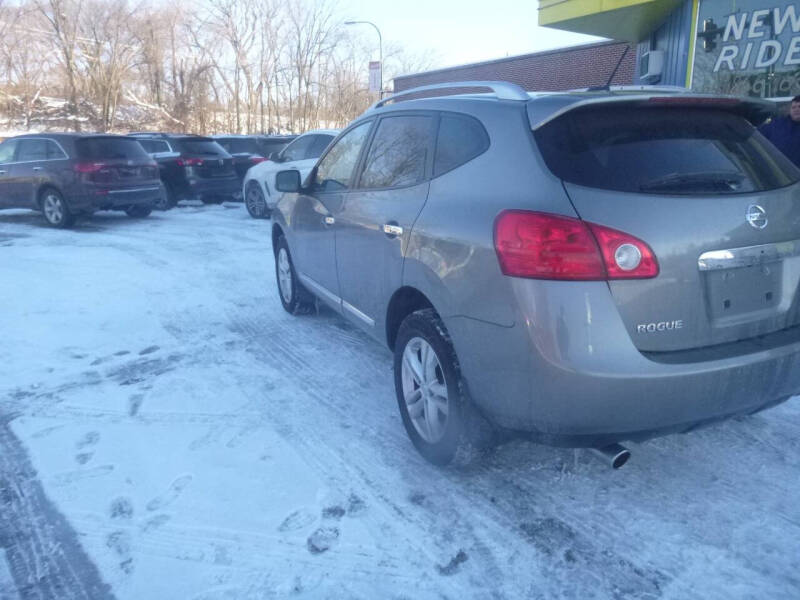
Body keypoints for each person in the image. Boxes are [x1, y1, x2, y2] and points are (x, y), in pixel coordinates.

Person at [759, 95, 800, 167]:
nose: (796, 109)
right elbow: (757, 138)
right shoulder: (775, 124)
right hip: (775, 172)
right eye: (793, 107)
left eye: (799, 106)